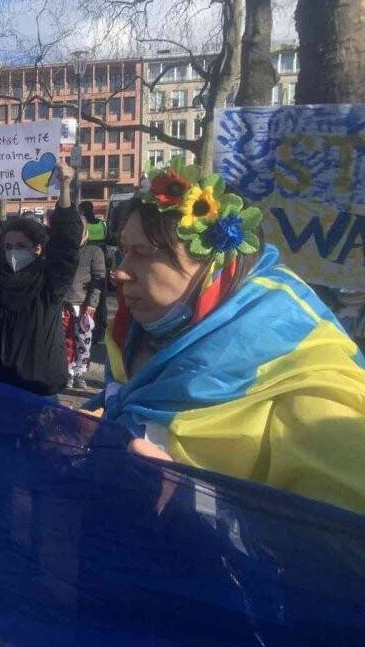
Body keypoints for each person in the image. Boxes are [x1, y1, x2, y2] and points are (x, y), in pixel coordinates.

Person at [97, 162, 365, 513]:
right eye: (123, 252)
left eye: (143, 254)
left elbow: (339, 551)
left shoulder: (311, 393)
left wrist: (197, 505)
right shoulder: (134, 335)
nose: (119, 271)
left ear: (213, 267)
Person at [0, 163, 83, 397]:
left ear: (37, 249)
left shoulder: (50, 282)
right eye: (8, 246)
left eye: (20, 246)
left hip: (40, 390)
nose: (13, 252)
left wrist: (65, 189)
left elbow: (66, 245)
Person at [62, 218, 106, 389]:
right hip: (63, 303)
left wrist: (92, 303)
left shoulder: (94, 251)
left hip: (83, 304)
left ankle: (80, 372)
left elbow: (98, 279)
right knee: (65, 339)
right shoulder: (62, 250)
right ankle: (67, 372)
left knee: (83, 340)